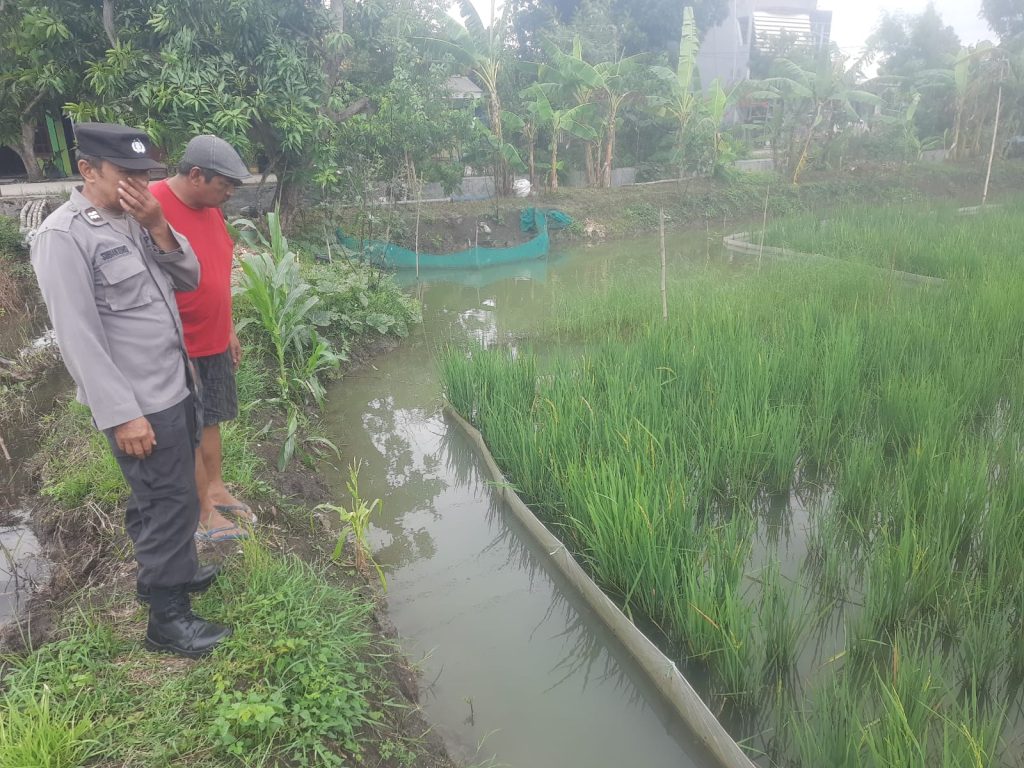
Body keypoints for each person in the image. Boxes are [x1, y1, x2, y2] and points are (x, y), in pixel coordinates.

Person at [30, 123, 231, 658]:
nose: (138, 186)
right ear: (89, 170)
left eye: (144, 176)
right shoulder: (64, 236)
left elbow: (187, 278)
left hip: (174, 382)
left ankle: (166, 576)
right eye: (126, 175)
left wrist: (161, 226)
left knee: (163, 498)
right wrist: (122, 414)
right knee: (169, 501)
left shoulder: (139, 220)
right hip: (140, 402)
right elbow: (78, 338)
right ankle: (168, 622)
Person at [150, 135, 254, 543]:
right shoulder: (151, 207)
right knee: (187, 428)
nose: (228, 194)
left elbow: (216, 267)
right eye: (224, 185)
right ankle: (202, 513)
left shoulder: (210, 208)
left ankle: (216, 487)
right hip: (178, 345)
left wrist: (227, 328)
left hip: (212, 336)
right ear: (195, 175)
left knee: (211, 417)